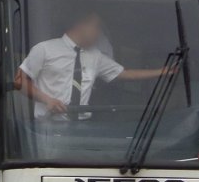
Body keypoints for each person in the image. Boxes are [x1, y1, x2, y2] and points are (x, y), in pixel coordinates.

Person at [14, 10, 168, 119]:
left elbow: (124, 73)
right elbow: (19, 82)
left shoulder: (95, 56)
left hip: (83, 127)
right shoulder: (44, 49)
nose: (99, 32)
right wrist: (47, 100)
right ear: (82, 25)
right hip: (47, 128)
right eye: (97, 26)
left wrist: (162, 71)